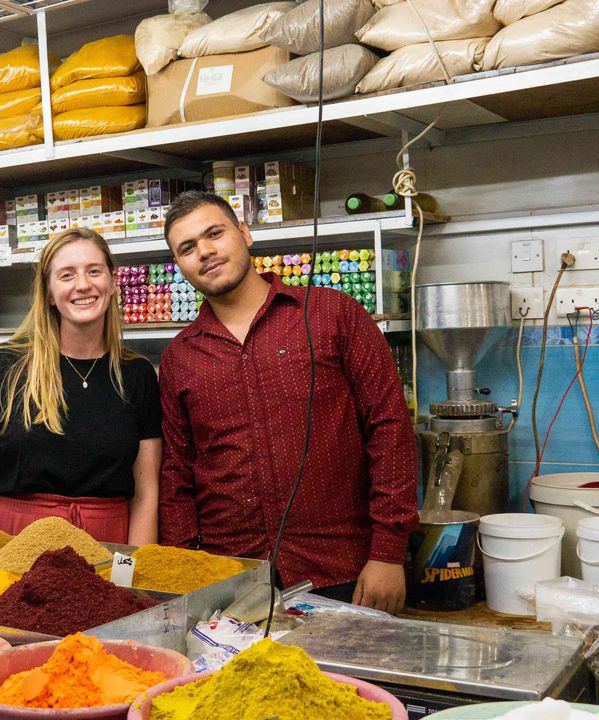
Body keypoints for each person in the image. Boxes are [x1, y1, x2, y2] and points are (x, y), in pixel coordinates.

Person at [158, 191, 419, 613]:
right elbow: (177, 475)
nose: (204, 251)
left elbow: (390, 430)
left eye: (214, 233)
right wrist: (185, 572)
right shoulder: (180, 357)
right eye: (187, 248)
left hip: (342, 570)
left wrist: (388, 551)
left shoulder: (332, 315)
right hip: (231, 582)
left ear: (245, 234)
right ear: (180, 264)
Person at [0, 228, 161, 545]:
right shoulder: (7, 366)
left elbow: (146, 494)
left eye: (94, 271)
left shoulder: (137, 375)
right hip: (16, 537)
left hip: (106, 539)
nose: (83, 284)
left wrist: (133, 569)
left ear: (112, 282)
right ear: (50, 293)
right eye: (67, 275)